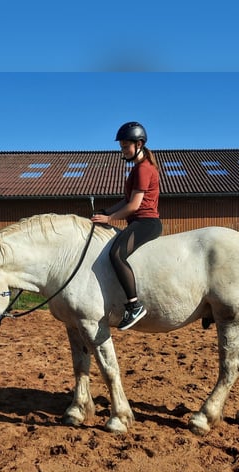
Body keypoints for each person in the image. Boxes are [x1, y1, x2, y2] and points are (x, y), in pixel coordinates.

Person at [91, 121, 162, 330]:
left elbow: (134, 205)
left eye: (125, 147)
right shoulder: (136, 169)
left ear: (139, 144)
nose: (122, 150)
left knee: (116, 254)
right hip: (138, 220)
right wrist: (107, 211)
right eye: (121, 147)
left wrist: (109, 220)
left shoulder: (143, 169)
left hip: (146, 222)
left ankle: (134, 305)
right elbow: (125, 201)